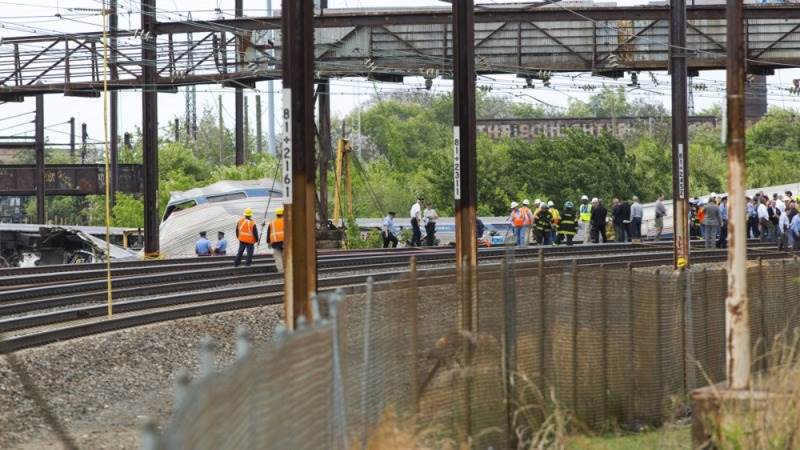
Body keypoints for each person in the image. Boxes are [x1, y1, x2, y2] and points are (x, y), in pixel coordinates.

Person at [267, 207, 285, 273]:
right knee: (286, 256)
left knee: (278, 257)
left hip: (275, 242)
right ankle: (288, 269)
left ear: (276, 214)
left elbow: (269, 233)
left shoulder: (272, 223)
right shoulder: (287, 221)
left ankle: (281, 270)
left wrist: (268, 242)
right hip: (285, 242)